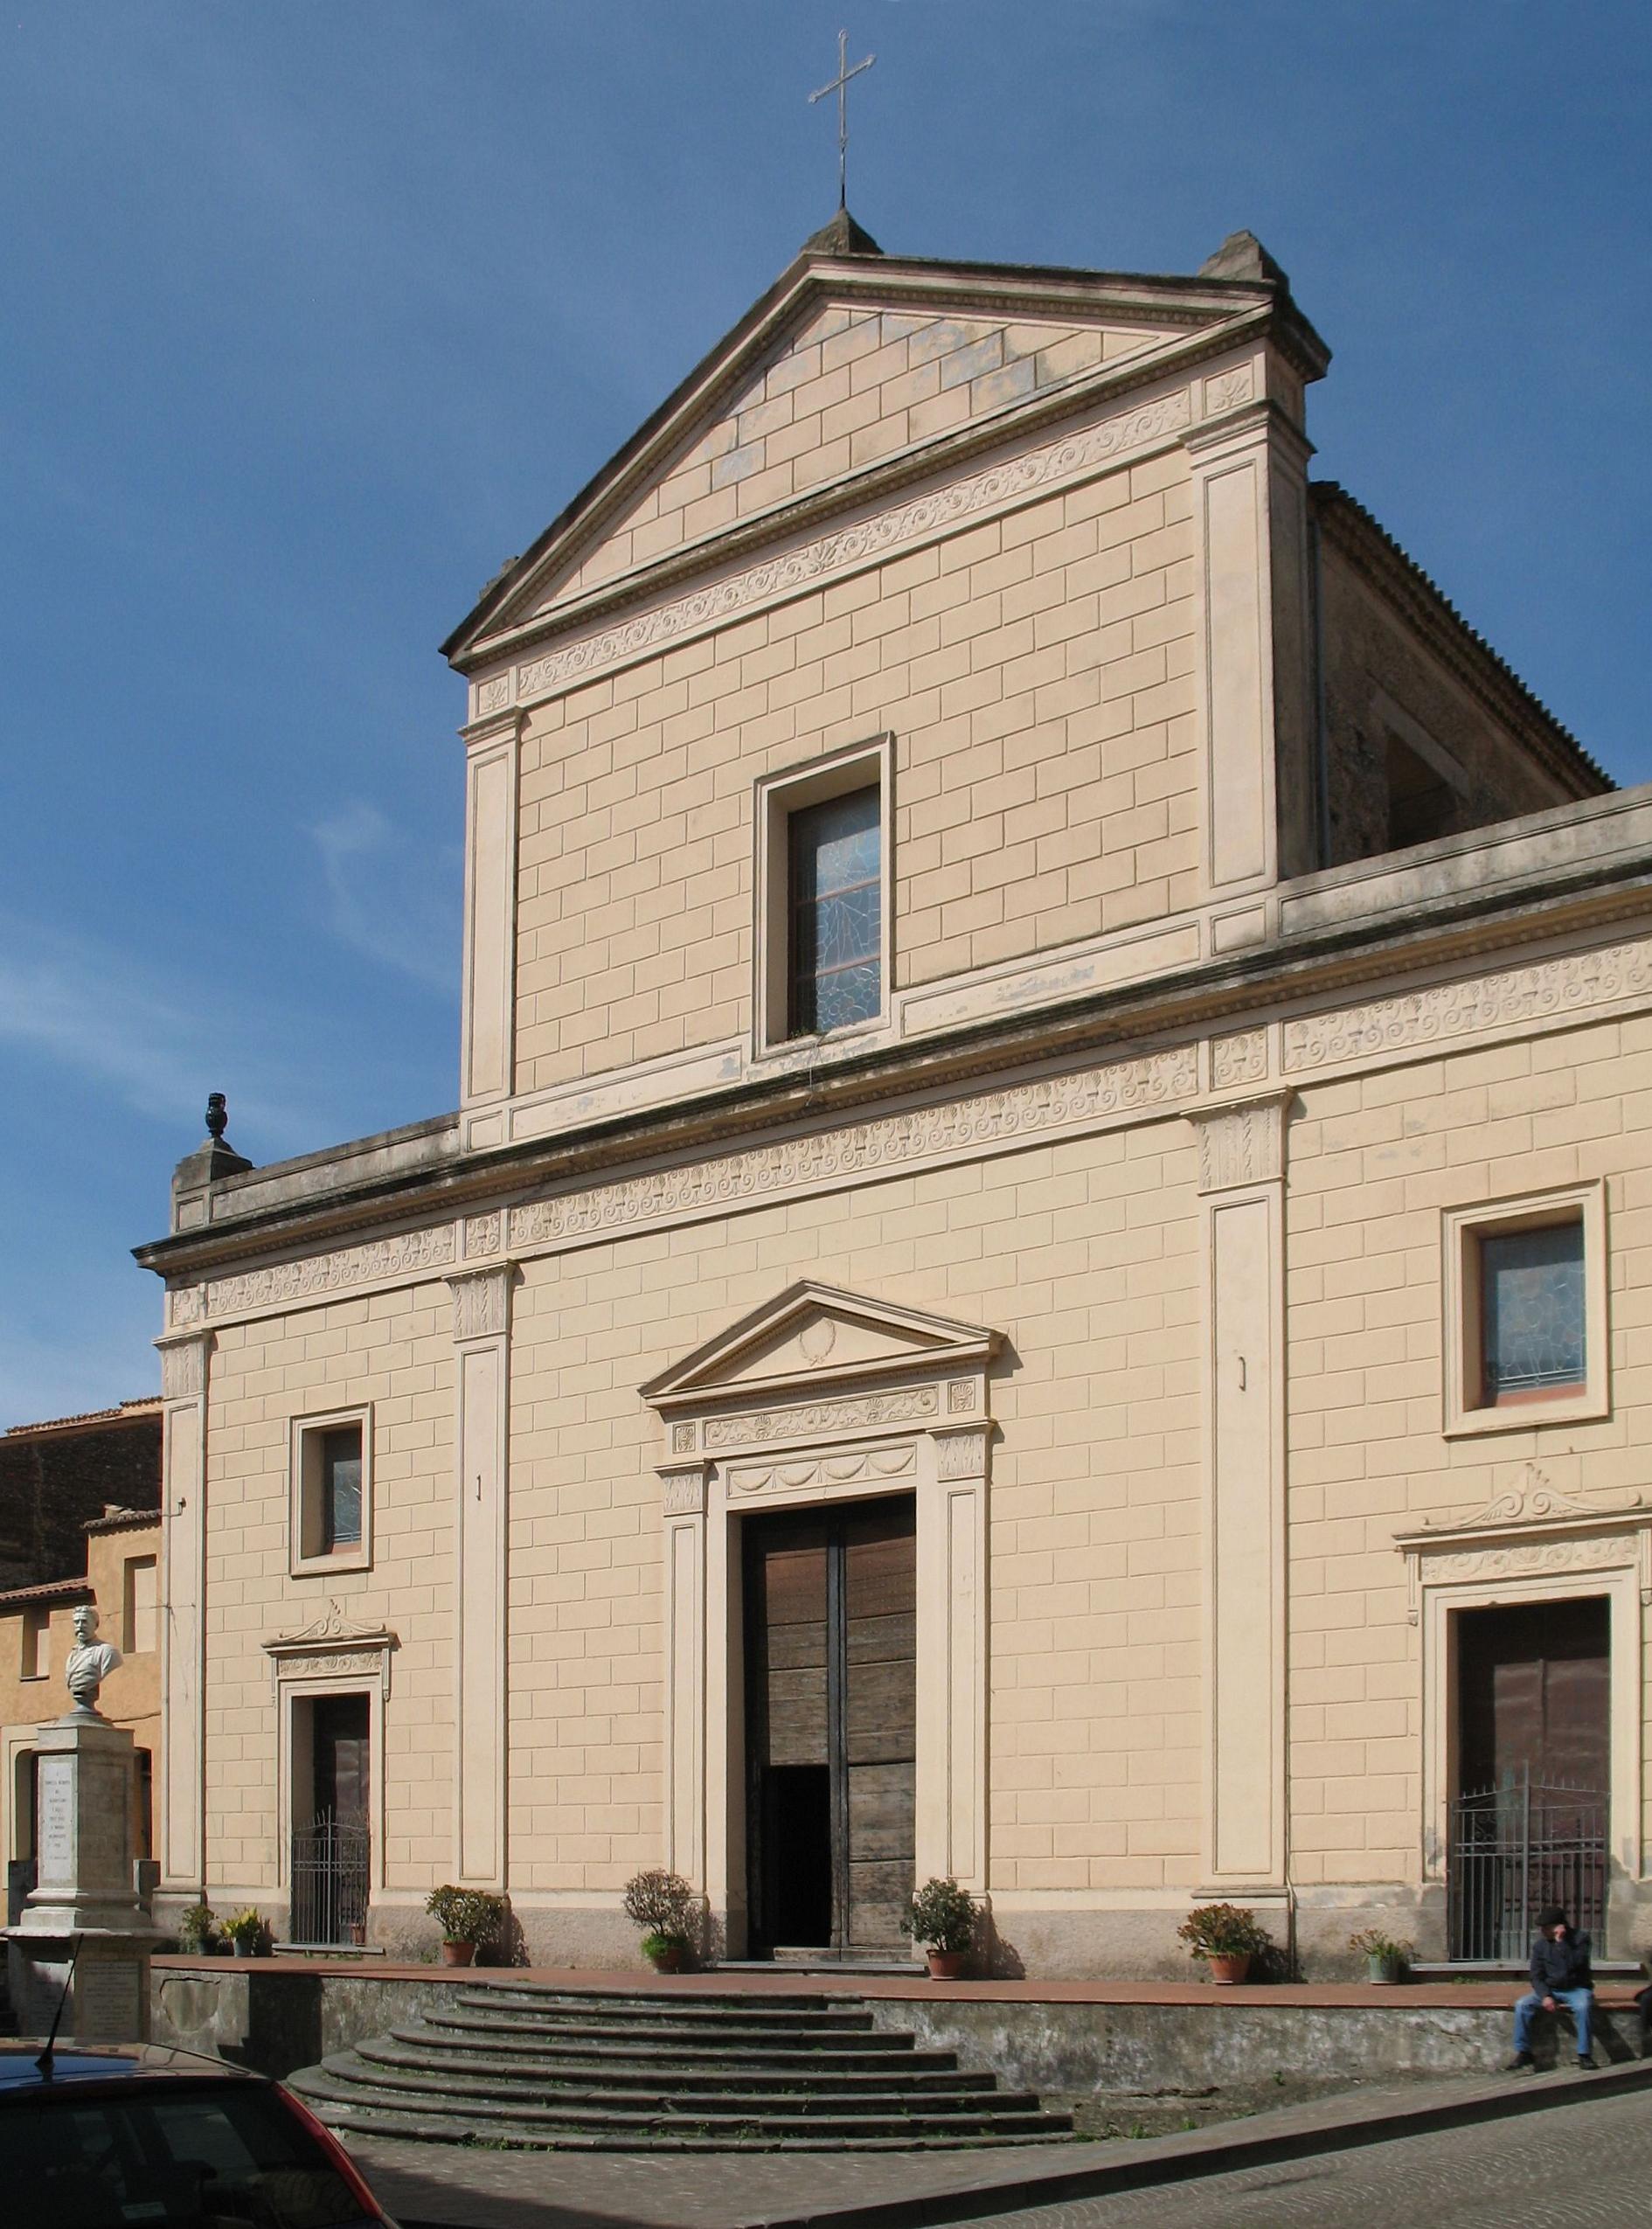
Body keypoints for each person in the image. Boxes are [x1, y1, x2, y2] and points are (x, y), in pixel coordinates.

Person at [1508, 1904, 1594, 2071]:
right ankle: (1524, 2052)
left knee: (1583, 2007)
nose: (1543, 1931)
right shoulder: (1540, 1946)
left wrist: (1561, 1943)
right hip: (1551, 1989)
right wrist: (1545, 1995)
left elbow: (1575, 1963)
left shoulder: (1581, 1940)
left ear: (1558, 1927)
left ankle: (1585, 2054)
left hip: (1576, 1989)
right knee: (1522, 2005)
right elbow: (1536, 1975)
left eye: (1546, 1928)